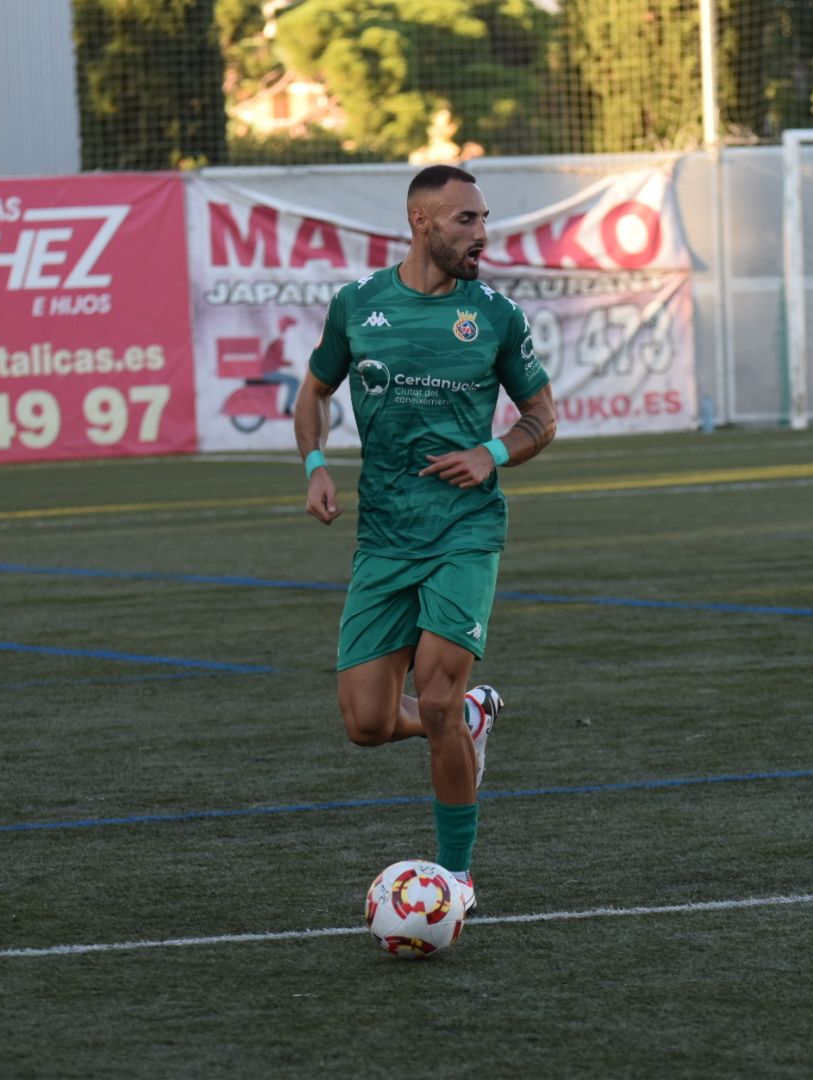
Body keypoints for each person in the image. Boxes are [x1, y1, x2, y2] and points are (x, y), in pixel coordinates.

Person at [293, 164, 557, 915]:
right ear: (421, 223)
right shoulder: (359, 306)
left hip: (463, 533)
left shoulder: (496, 317)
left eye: (483, 219)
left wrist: (494, 454)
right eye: (465, 220)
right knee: (367, 724)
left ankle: (457, 880)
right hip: (383, 534)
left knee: (437, 699)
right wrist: (316, 465)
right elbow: (313, 390)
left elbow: (543, 416)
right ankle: (471, 720)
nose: (482, 234)